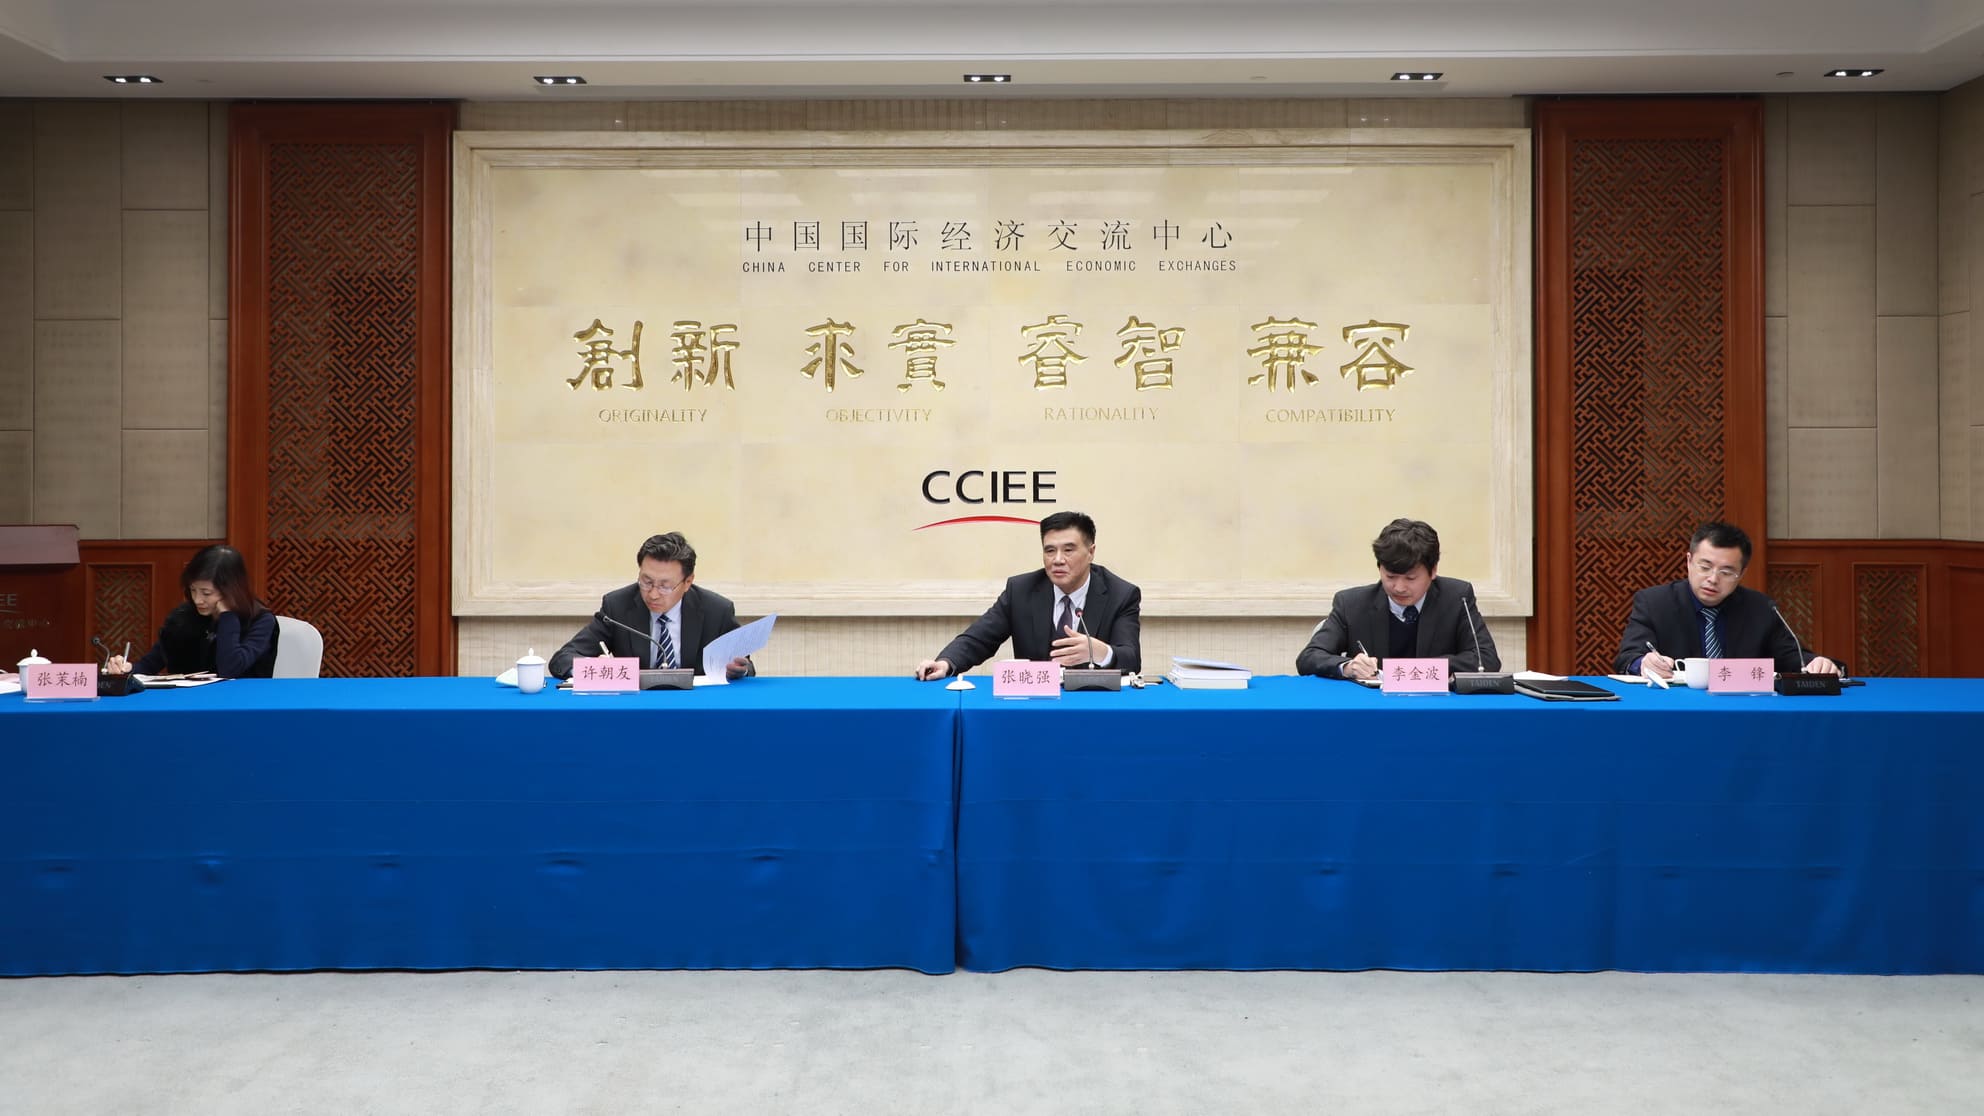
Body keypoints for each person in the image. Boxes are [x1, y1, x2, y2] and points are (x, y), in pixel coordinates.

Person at [914, 510, 1141, 680]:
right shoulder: (1021, 590)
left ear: (1091, 552)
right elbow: (979, 638)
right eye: (1050, 550)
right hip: (1034, 703)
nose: (1058, 559)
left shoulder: (1120, 594)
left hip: (1093, 705)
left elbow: (1131, 659)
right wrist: (946, 663)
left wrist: (1102, 653)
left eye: (1068, 550)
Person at [1615, 521, 1840, 679]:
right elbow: (1628, 657)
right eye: (1705, 567)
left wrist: (1816, 664)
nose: (1713, 579)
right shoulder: (1655, 603)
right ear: (1689, 561)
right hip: (1676, 708)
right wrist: (1643, 663)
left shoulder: (1761, 609)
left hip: (1743, 710)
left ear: (1741, 574)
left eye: (1726, 572)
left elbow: (1793, 658)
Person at [1297, 518, 1499, 681]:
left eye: (1411, 578)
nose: (1399, 588)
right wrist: (1348, 667)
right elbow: (1309, 657)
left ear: (1433, 571)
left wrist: (1418, 670)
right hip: (1373, 707)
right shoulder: (1351, 604)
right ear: (1379, 568)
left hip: (1436, 706)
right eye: (1390, 577)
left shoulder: (1457, 597)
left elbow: (1487, 659)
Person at [550, 532, 753, 680]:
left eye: (665, 586)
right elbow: (562, 659)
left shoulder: (716, 610)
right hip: (636, 709)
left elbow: (746, 665)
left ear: (688, 582)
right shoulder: (618, 607)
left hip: (696, 709)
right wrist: (594, 669)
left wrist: (739, 669)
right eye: (646, 582)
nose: (653, 594)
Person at [107, 545, 281, 678]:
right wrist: (127, 669)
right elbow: (149, 665)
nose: (198, 600)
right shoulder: (184, 617)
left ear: (231, 590)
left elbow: (231, 669)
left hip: (240, 705)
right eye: (193, 590)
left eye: (206, 593)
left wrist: (228, 616)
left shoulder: (260, 620)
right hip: (187, 704)